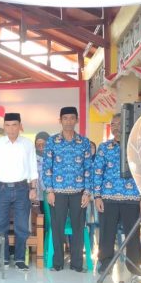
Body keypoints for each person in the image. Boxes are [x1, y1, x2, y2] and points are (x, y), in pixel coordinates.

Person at [0, 113, 38, 271]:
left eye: (14, 125)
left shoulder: (27, 144)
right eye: (7, 125)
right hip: (1, 189)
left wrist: (33, 188)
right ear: (4, 127)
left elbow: (33, 168)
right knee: (0, 225)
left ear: (20, 126)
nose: (11, 128)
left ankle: (20, 259)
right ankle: (2, 258)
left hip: (22, 189)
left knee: (22, 226)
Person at [42, 106, 93, 272]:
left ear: (76, 120)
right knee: (57, 228)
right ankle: (58, 263)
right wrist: (49, 190)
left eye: (72, 118)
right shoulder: (52, 141)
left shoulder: (84, 142)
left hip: (79, 194)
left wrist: (87, 192)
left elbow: (88, 169)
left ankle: (77, 264)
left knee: (78, 228)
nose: (69, 122)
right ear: (60, 121)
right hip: (57, 193)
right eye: (65, 118)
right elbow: (47, 168)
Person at [93, 113, 141, 276]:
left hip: (132, 197)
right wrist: (97, 196)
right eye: (112, 124)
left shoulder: (136, 146)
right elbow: (97, 172)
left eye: (119, 123)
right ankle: (105, 263)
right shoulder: (104, 147)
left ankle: (135, 266)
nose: (115, 127)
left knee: (132, 234)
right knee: (107, 232)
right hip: (108, 197)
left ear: (127, 126)